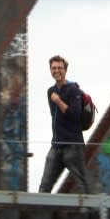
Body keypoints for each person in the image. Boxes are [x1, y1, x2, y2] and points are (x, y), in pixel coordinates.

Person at [38, 55, 90, 193]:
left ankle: (92, 213)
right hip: (56, 146)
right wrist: (55, 100)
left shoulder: (73, 90)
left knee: (83, 187)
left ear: (65, 70)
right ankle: (42, 213)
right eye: (53, 68)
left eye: (60, 68)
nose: (56, 71)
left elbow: (75, 115)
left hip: (73, 146)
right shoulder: (51, 91)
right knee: (44, 188)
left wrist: (58, 101)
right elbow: (54, 116)